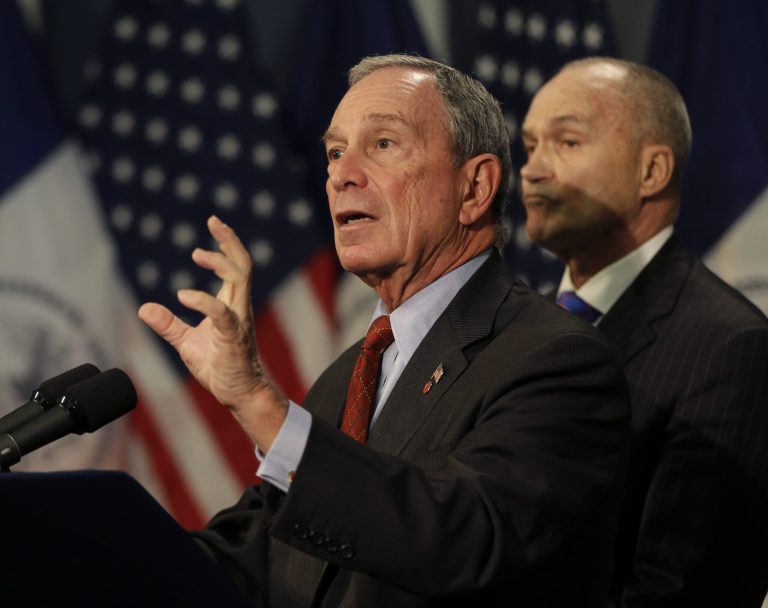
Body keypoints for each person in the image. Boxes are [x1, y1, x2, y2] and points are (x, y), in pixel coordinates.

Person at [139, 54, 630, 607]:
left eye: (383, 144)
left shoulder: (556, 361)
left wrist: (257, 401)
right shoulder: (346, 377)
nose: (341, 174)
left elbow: (464, 538)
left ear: (474, 188)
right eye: (334, 151)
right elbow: (257, 554)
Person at [520, 57, 768, 607]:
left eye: (566, 142)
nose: (533, 170)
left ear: (652, 171)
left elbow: (680, 590)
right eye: (531, 145)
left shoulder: (730, 345)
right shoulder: (519, 333)